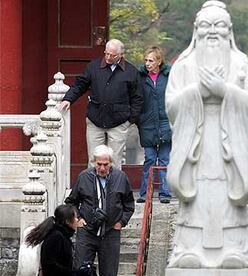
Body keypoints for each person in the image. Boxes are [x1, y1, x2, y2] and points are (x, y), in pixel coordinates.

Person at [165, 1, 248, 269]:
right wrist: (198, 93)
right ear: (196, 31)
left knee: (228, 193)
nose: (213, 32)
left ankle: (236, 250)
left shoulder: (242, 64)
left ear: (229, 30)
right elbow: (171, 107)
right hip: (196, 142)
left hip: (229, 144)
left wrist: (225, 91)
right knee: (197, 194)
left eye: (219, 26)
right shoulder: (183, 65)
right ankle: (188, 249)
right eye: (206, 26)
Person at [58, 39, 143, 169]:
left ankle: (114, 189)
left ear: (121, 54)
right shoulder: (93, 67)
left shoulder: (131, 72)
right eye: (106, 53)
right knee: (93, 160)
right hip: (95, 119)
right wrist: (68, 99)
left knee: (114, 162)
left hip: (119, 122)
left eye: (113, 55)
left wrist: (130, 120)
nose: (108, 57)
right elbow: (80, 85)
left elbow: (137, 98)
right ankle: (93, 189)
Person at [65, 145, 135, 276]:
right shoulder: (84, 177)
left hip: (110, 232)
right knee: (81, 271)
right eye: (99, 164)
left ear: (111, 163)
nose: (102, 168)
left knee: (109, 272)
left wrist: (122, 221)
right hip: (87, 232)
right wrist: (78, 219)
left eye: (106, 164)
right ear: (93, 162)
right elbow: (71, 202)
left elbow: (129, 203)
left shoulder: (120, 177)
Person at [136, 46, 172, 204]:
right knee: (149, 159)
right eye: (146, 60)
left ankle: (165, 193)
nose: (147, 63)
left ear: (159, 61)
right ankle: (145, 193)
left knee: (164, 159)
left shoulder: (168, 77)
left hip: (165, 123)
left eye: (151, 60)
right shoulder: (141, 77)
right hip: (147, 124)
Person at [25, 204, 88, 276]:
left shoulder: (63, 236)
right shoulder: (56, 237)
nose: (77, 220)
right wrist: (75, 273)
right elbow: (50, 266)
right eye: (76, 217)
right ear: (67, 221)